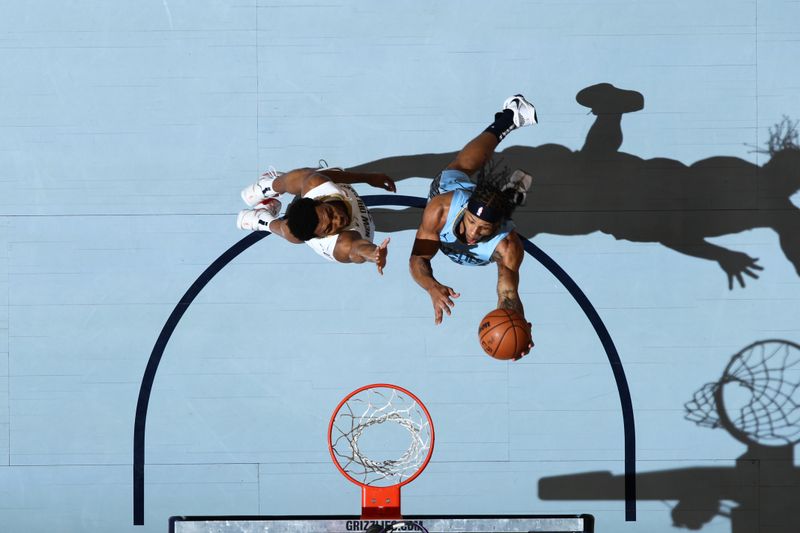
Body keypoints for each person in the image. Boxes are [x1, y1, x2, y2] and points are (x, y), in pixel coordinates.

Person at [409, 95, 537, 358]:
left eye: (483, 230)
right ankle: (508, 118)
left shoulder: (507, 246)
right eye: (471, 223)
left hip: (488, 242)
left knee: (501, 206)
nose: (472, 233)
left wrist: (517, 325)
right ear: (466, 212)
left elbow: (508, 293)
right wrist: (431, 286)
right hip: (453, 190)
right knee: (461, 167)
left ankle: (511, 194)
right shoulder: (441, 209)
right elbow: (418, 257)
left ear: (497, 227)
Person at [237, 165, 396, 274]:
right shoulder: (343, 244)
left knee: (305, 176)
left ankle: (268, 186)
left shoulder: (316, 185)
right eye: (329, 228)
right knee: (289, 232)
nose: (338, 220)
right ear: (320, 236)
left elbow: (335, 175)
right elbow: (357, 249)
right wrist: (374, 254)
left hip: (325, 191)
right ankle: (260, 219)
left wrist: (368, 178)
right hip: (363, 228)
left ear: (318, 200)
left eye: (330, 213)